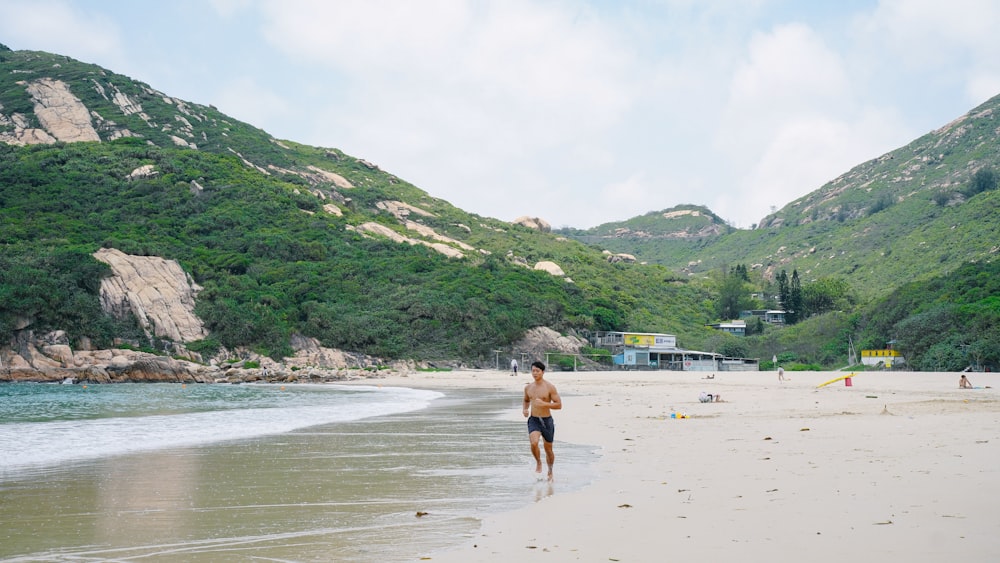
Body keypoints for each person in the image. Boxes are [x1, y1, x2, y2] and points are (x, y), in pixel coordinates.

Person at [523, 360, 561, 480]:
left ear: (542, 372)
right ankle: (538, 462)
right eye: (533, 371)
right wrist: (525, 409)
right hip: (534, 419)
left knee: (548, 449)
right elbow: (526, 400)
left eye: (537, 371)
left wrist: (544, 404)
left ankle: (550, 471)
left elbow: (559, 405)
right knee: (534, 443)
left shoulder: (549, 387)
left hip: (547, 421)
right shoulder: (528, 387)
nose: (535, 373)